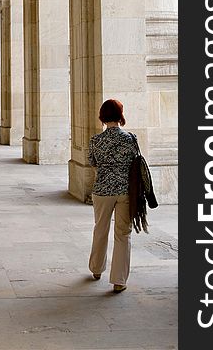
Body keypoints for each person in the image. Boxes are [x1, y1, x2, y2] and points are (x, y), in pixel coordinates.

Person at [87, 98, 138, 293]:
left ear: (102, 116)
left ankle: (97, 269)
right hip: (124, 191)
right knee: (123, 234)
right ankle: (119, 280)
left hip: (102, 191)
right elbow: (135, 164)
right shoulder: (130, 139)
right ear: (120, 115)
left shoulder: (96, 140)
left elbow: (93, 164)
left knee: (100, 229)